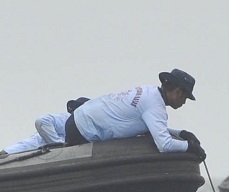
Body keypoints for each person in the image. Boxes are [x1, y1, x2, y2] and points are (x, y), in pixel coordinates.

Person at [65, 68, 206, 162]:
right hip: (82, 132)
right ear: (178, 92)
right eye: (185, 98)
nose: (184, 102)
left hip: (77, 120)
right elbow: (164, 144)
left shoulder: (149, 92)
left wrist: (181, 133)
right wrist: (190, 147)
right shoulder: (155, 106)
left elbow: (154, 127)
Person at [1, 97, 89, 157]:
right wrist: (59, 145)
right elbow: (42, 121)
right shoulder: (67, 119)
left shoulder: (82, 128)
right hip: (15, 154)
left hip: (32, 156)